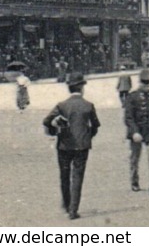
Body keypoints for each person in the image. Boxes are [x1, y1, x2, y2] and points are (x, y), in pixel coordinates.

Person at [43, 71, 100, 220]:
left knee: (64, 176)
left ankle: (67, 204)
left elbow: (46, 120)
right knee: (78, 177)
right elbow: (95, 126)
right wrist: (87, 136)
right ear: (81, 88)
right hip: (82, 146)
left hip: (64, 145)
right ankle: (73, 210)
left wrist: (56, 128)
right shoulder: (88, 105)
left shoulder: (62, 105)